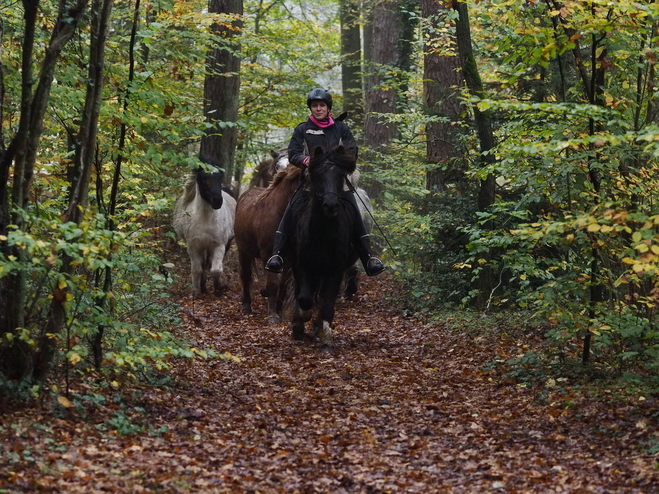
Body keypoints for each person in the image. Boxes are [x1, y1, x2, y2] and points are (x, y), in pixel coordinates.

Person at [264, 88, 385, 277]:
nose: (318, 108)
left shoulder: (341, 128)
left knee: (354, 209)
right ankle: (277, 255)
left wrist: (338, 164)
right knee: (291, 208)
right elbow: (294, 152)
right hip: (310, 180)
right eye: (315, 106)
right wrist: (305, 160)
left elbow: (352, 150)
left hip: (337, 180)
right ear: (311, 108)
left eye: (322, 105)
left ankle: (368, 257)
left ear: (328, 108)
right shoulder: (302, 129)